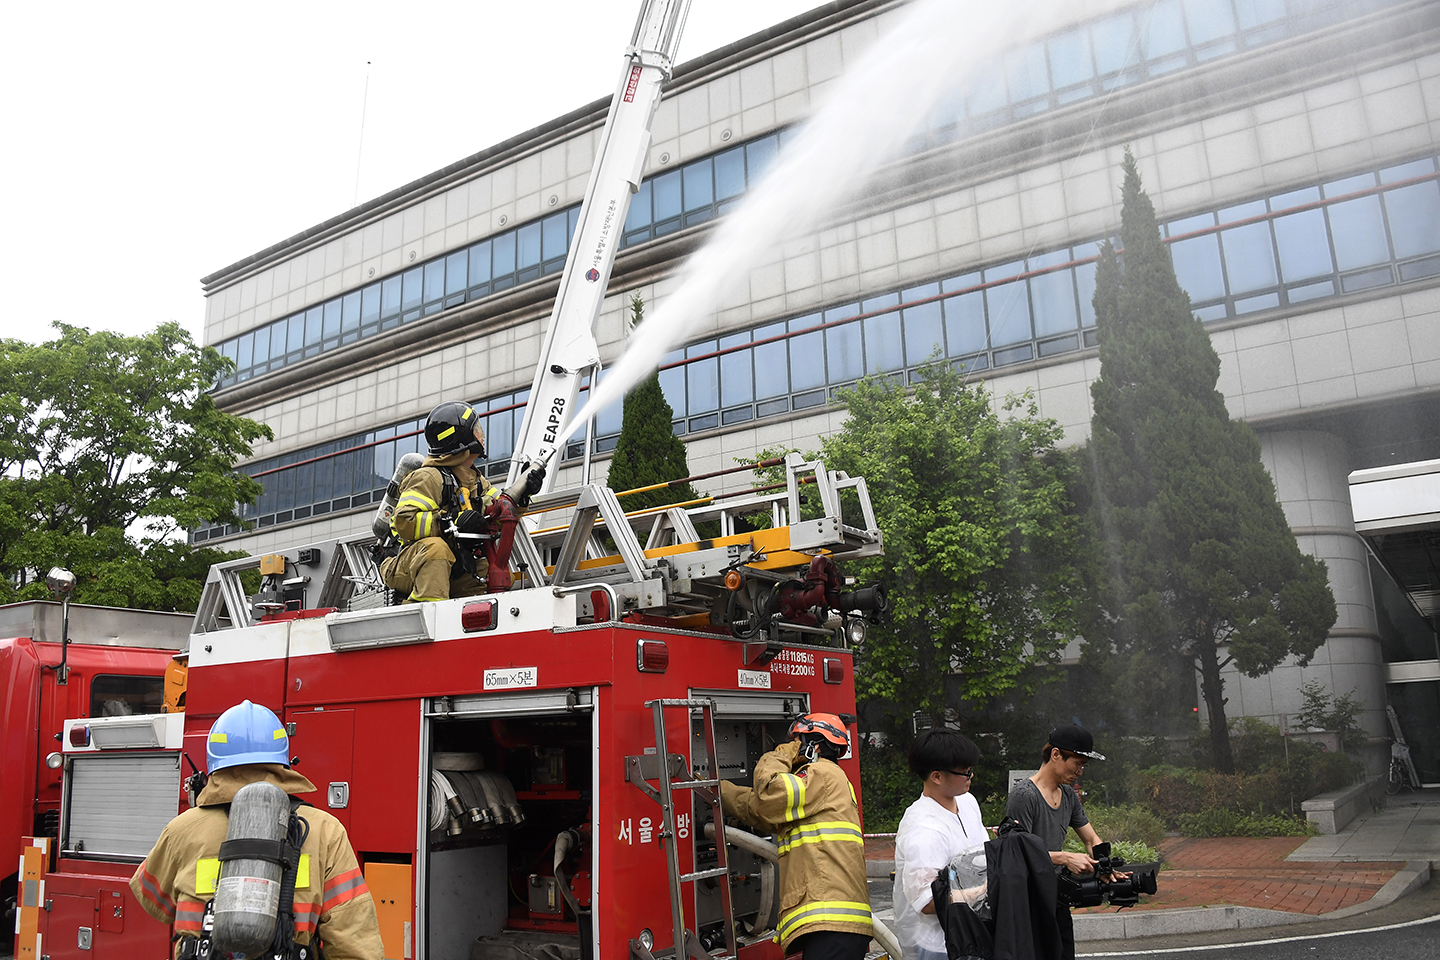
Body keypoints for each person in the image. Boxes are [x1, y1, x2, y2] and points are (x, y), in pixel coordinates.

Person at [130, 700, 383, 960]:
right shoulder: (324, 831)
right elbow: (352, 937)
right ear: (283, 760)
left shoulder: (182, 830)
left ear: (214, 760)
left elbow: (154, 901)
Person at [720, 713, 872, 960]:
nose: (794, 748)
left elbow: (769, 791)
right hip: (834, 925)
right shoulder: (825, 783)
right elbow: (763, 811)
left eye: (798, 742)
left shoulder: (819, 774)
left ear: (814, 745)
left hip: (830, 922)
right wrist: (718, 791)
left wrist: (781, 753)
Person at [380, 401, 544, 602]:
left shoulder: (475, 480)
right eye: (476, 430)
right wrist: (450, 523)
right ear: (462, 438)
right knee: (436, 550)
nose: (481, 435)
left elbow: (498, 515)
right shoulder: (428, 477)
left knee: (495, 574)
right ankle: (425, 617)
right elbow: (405, 522)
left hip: (452, 562)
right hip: (406, 563)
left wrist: (522, 497)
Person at [1004, 723, 1121, 960]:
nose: (1080, 771)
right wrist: (1065, 858)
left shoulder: (1067, 794)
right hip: (1028, 902)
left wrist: (1105, 867)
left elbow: (1090, 838)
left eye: (1083, 766)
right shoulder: (1024, 795)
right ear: (1056, 754)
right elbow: (1014, 854)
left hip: (1056, 896)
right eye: (1077, 763)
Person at [893, 729, 986, 960]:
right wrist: (989, 890)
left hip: (973, 933)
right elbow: (928, 901)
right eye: (965, 772)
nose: (971, 776)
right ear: (937, 776)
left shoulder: (967, 802)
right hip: (939, 944)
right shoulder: (923, 829)